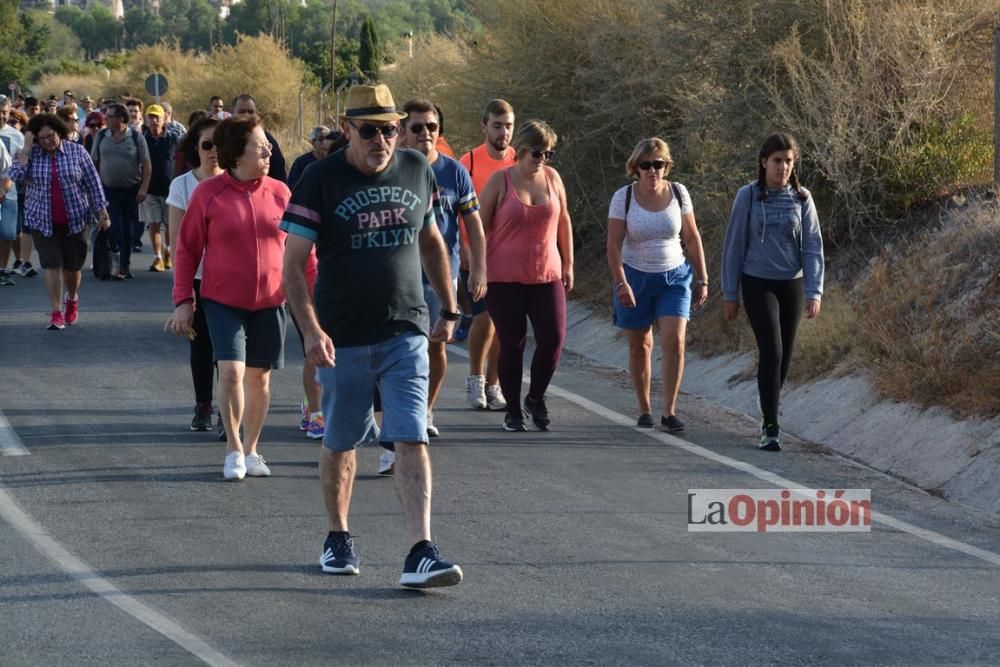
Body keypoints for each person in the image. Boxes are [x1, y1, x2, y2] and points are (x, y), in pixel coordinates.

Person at [282, 83, 463, 588]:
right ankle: (338, 536)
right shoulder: (320, 179)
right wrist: (311, 330)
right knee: (341, 443)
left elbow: (431, 241)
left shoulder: (416, 169)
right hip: (342, 337)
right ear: (348, 130)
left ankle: (420, 550)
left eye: (390, 129)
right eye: (370, 130)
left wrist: (448, 307)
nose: (382, 139)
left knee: (411, 436)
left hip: (405, 328)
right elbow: (293, 267)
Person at [168, 117, 290, 480]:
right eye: (259, 145)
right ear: (237, 153)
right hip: (221, 300)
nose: (268, 150)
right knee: (233, 372)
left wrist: (314, 299)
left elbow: (302, 253)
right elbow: (187, 250)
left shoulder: (281, 192)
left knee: (259, 378)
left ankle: (252, 449)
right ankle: (233, 449)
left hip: (271, 300)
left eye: (268, 143)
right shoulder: (208, 194)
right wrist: (183, 300)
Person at [721, 132, 824, 451]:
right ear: (764, 162)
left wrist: (814, 289)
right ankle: (770, 425)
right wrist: (729, 292)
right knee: (772, 350)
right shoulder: (748, 196)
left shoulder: (802, 198)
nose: (783, 167)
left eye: (789, 161)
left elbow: (812, 245)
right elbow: (733, 245)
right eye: (777, 161)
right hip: (757, 280)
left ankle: (768, 398)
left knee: (785, 357)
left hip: (790, 282)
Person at [606, 138, 709, 432]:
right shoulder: (623, 197)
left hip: (674, 277)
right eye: (646, 165)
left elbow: (691, 236)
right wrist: (620, 282)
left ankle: (669, 411)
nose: (653, 171)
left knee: (674, 341)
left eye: (659, 164)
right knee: (640, 344)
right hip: (635, 276)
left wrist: (702, 278)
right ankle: (644, 409)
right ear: (636, 167)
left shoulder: (679, 193)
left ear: (667, 166)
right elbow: (613, 244)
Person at [399, 98, 487, 440]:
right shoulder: (393, 168)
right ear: (403, 132)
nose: (425, 133)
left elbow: (474, 223)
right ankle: (398, 412)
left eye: (431, 127)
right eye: (416, 127)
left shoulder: (454, 171)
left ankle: (425, 411)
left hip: (442, 278)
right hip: (399, 277)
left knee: (435, 346)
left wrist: (479, 268)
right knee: (401, 349)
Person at [479, 120, 573, 432]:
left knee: (554, 339)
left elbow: (564, 223)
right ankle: (514, 410)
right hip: (503, 277)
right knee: (512, 343)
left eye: (549, 153)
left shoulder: (553, 178)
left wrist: (569, 265)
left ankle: (535, 397)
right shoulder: (500, 180)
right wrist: (476, 268)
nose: (543, 158)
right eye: (537, 152)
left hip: (547, 274)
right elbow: (478, 228)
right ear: (521, 149)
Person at [8, 114, 111, 328]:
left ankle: (72, 299)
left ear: (59, 132)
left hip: (76, 219)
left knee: (72, 269)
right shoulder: (31, 154)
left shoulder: (77, 151)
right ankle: (56, 312)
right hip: (42, 221)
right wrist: (26, 148)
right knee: (52, 265)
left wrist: (102, 212)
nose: (46, 141)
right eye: (41, 137)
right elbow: (15, 176)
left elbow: (93, 183)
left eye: (50, 136)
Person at [459, 99, 516, 411]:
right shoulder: (468, 162)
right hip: (477, 254)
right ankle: (475, 379)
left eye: (508, 125)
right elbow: (458, 210)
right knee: (484, 318)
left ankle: (495, 385)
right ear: (484, 126)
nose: (503, 132)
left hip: (510, 255)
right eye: (497, 125)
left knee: (504, 323)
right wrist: (464, 247)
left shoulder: (520, 161)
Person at [166, 117, 222, 432]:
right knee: (201, 345)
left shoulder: (236, 181)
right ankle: (203, 405)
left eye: (219, 145)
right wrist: (183, 292)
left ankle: (231, 412)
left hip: (231, 280)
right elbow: (178, 245)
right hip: (198, 280)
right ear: (196, 149)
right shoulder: (183, 185)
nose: (214, 151)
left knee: (230, 350)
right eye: (207, 145)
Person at [91, 103, 151, 280]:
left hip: (131, 190)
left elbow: (147, 164)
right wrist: (94, 188)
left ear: (120, 119)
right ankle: (112, 262)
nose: (105, 119)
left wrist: (144, 188)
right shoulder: (102, 136)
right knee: (114, 225)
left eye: (109, 116)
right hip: (108, 191)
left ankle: (124, 265)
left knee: (129, 230)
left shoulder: (136, 137)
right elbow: (94, 162)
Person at [142, 104, 180, 271]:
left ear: (164, 119)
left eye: (157, 117)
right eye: (151, 117)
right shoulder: (142, 139)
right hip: (150, 189)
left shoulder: (173, 138)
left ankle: (168, 251)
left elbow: (181, 159)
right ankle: (157, 257)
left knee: (170, 224)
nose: (154, 121)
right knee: (154, 223)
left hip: (170, 189)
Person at [231, 94, 286, 182]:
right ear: (232, 114)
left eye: (251, 111)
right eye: (242, 111)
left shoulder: (267, 140)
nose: (247, 115)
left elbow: (279, 174)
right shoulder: (224, 140)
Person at [0, 96, 25, 285]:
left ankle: (3, 269)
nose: (1, 116)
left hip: (8, 193)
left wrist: (4, 189)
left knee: (6, 233)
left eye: (4, 112)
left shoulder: (16, 135)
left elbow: (17, 165)